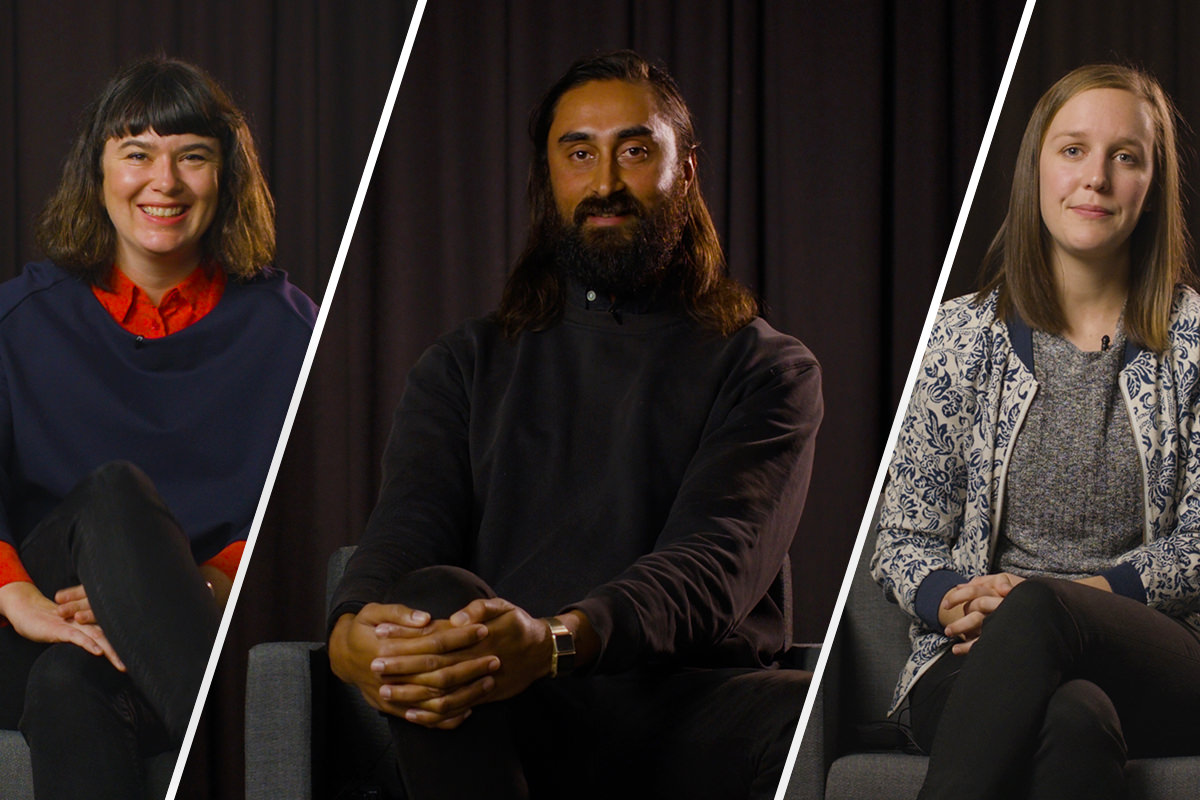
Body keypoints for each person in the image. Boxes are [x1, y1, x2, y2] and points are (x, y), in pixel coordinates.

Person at [327, 50, 821, 800]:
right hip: (504, 707)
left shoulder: (768, 369)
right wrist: (348, 633)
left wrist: (556, 642)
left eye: (633, 150)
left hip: (688, 709)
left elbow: (713, 567)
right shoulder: (464, 364)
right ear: (547, 179)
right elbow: (405, 529)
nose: (605, 184)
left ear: (684, 172)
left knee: (809, 718)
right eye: (579, 154)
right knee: (428, 598)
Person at [872, 63, 1200, 800]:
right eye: (1074, 149)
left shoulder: (1196, 342)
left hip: (1166, 658)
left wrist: (1063, 599)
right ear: (1036, 170)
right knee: (1076, 718)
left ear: (1152, 187)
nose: (1098, 178)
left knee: (1044, 608)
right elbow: (904, 537)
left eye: (1127, 157)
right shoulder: (960, 338)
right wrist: (955, 598)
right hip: (975, 658)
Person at [0, 57, 316, 798]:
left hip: (183, 631)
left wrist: (209, 579)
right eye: (137, 154)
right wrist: (20, 597)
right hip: (28, 624)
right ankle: (231, 770)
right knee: (112, 493)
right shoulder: (18, 319)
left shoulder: (286, 330)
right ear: (97, 171)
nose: (164, 184)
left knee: (69, 687)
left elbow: (316, 499)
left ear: (225, 176)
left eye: (192, 158)